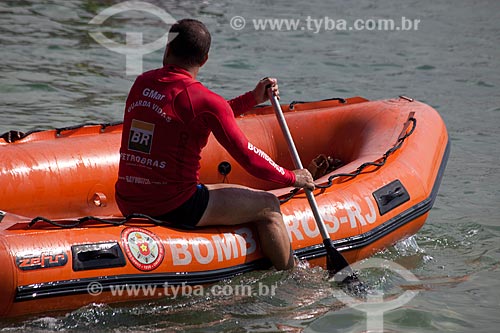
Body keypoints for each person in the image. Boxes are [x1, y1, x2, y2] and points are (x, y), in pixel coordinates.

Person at [115, 19, 314, 270]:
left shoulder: (142, 83)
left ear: (167, 50)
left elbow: (206, 117)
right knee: (269, 205)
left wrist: (252, 98)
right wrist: (291, 178)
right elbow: (247, 156)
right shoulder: (204, 100)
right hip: (175, 207)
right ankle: (291, 279)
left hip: (127, 200)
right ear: (205, 59)